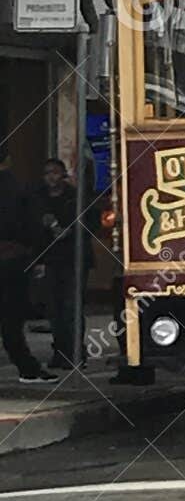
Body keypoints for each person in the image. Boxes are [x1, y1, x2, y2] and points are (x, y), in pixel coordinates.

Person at [31, 157, 93, 370]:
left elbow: (89, 223)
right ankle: (59, 351)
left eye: (55, 173)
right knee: (54, 308)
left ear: (63, 174)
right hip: (50, 259)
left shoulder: (75, 197)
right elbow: (32, 229)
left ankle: (75, 352)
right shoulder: (38, 198)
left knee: (71, 307)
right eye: (48, 173)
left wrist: (71, 230)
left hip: (74, 258)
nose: (52, 178)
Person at [0, 147, 48, 383]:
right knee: (12, 318)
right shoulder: (19, 188)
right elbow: (33, 225)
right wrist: (36, 253)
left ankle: (27, 366)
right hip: (13, 258)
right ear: (8, 160)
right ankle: (27, 367)